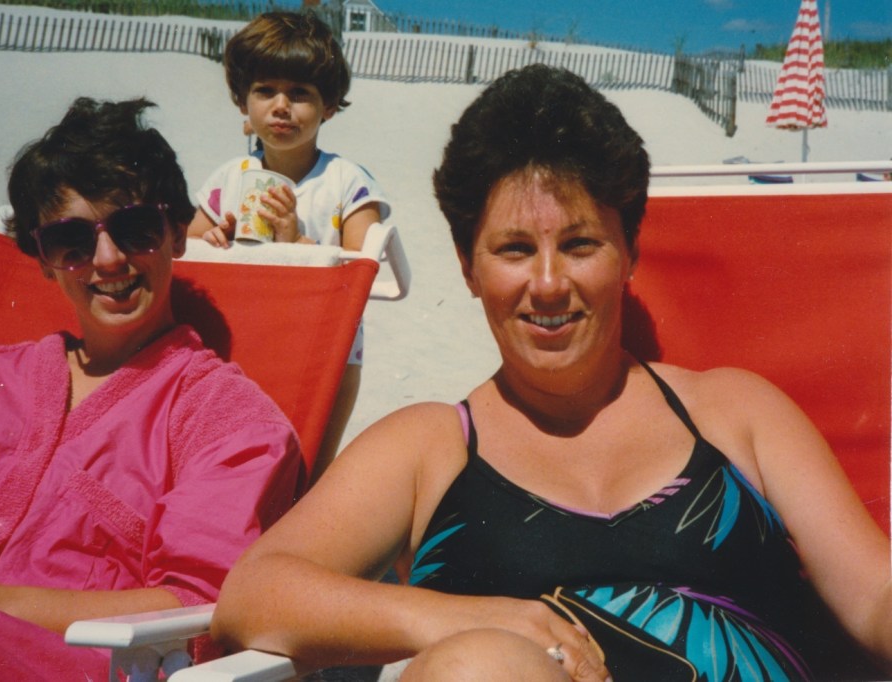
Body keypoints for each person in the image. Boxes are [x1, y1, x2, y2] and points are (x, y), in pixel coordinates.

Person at [208, 65, 892, 681]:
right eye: (512, 249)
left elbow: (874, 595)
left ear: (629, 253)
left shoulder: (734, 413)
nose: (547, 284)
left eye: (580, 244)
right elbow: (252, 595)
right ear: (468, 268)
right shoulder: (428, 449)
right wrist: (462, 621)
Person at [0, 97, 301, 680]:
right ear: (43, 261)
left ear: (177, 234)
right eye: (71, 241)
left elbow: (201, 604)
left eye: (135, 229)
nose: (108, 259)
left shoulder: (227, 420)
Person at [188, 10, 391, 481]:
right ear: (243, 101)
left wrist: (297, 243)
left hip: (326, 349)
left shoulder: (346, 182)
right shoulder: (228, 179)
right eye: (265, 91)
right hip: (243, 335)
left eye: (300, 93)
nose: (281, 106)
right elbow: (187, 250)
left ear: (329, 106)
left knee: (307, 468)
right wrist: (213, 240)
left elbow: (363, 269)